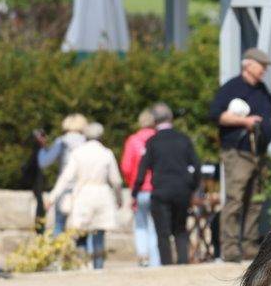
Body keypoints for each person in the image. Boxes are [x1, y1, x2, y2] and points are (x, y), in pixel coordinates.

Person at [210, 47, 271, 262]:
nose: (264, 70)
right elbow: (216, 115)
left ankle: (250, 247)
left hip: (259, 154)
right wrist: (245, 121)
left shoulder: (261, 89)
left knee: (255, 201)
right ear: (248, 65)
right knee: (236, 200)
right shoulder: (232, 87)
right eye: (261, 66)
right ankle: (230, 249)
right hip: (239, 153)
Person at [132, 106, 201, 266]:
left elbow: (142, 171)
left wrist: (135, 192)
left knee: (162, 232)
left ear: (154, 121)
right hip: (182, 190)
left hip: (161, 190)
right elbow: (197, 166)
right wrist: (192, 187)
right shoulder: (183, 139)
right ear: (171, 119)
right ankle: (183, 262)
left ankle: (167, 265)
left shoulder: (152, 142)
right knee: (180, 229)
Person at [47, 122, 121, 269]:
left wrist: (52, 197)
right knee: (99, 234)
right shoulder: (106, 153)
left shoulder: (78, 153)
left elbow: (66, 177)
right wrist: (119, 199)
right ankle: (98, 267)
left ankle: (83, 266)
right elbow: (116, 181)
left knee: (81, 233)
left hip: (83, 194)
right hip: (102, 194)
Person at [120, 108, 160, 267]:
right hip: (156, 188)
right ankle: (155, 260)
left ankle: (143, 256)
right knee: (154, 226)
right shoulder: (158, 138)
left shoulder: (133, 140)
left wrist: (131, 183)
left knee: (141, 225)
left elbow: (126, 167)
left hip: (140, 188)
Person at [37, 113, 88, 235]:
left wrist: (41, 147)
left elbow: (44, 162)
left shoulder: (62, 142)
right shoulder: (87, 142)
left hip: (64, 188)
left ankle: (58, 246)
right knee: (83, 231)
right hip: (83, 189)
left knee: (59, 226)